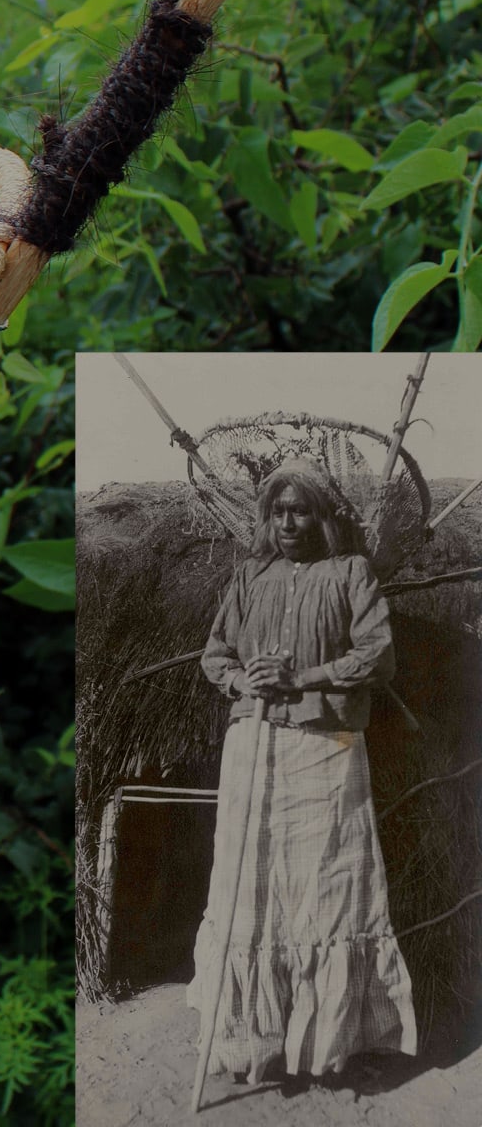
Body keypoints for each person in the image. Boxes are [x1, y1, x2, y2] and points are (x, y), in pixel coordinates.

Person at [193, 460, 416, 1086]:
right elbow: (216, 655)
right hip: (254, 743)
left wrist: (304, 678)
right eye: (277, 512)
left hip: (327, 746)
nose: (287, 523)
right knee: (250, 887)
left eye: (300, 510)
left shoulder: (350, 574)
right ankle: (251, 1043)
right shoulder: (249, 576)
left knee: (327, 884)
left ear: (321, 515)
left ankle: (325, 1047)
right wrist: (245, 677)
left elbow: (377, 655)